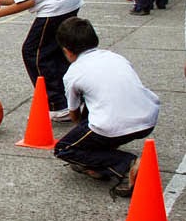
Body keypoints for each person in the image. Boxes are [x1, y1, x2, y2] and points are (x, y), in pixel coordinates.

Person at [53, 17, 159, 198]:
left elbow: (73, 112)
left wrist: (82, 133)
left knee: (64, 149)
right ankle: (100, 160)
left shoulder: (73, 73)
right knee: (95, 107)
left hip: (112, 125)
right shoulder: (115, 57)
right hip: (148, 119)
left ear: (67, 51)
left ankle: (127, 163)